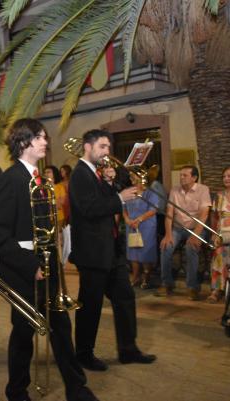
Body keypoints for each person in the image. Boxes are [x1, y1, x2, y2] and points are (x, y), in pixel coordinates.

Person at [0, 118, 98, 401]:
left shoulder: (40, 180)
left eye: (45, 137)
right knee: (24, 333)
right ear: (23, 142)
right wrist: (30, 264)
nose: (46, 142)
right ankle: (16, 390)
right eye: (40, 137)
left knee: (61, 328)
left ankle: (76, 387)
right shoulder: (11, 180)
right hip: (25, 271)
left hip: (49, 267)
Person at [69, 129, 156, 372]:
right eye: (103, 146)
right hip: (93, 252)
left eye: (108, 147)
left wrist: (112, 181)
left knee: (125, 298)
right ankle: (84, 354)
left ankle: (128, 350)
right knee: (91, 305)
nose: (108, 152)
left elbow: (107, 200)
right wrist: (118, 197)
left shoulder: (96, 175)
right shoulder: (80, 175)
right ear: (88, 146)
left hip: (111, 249)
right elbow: (89, 208)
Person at [157, 165, 212, 300]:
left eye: (184, 175)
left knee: (191, 247)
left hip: (196, 228)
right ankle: (167, 283)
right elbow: (169, 213)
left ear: (194, 177)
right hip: (177, 228)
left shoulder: (203, 189)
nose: (181, 178)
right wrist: (168, 234)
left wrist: (195, 235)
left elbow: (204, 214)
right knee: (166, 246)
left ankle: (192, 287)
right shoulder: (175, 190)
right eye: (180, 175)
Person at [123, 174, 158, 288]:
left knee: (145, 251)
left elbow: (153, 210)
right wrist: (127, 219)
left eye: (133, 176)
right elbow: (123, 208)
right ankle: (135, 276)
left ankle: (146, 276)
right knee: (133, 251)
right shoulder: (127, 191)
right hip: (131, 225)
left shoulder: (150, 192)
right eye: (130, 176)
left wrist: (140, 219)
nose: (131, 178)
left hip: (146, 225)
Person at [207, 166, 230, 303]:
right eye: (224, 176)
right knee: (218, 254)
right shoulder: (219, 196)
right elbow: (214, 216)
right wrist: (214, 233)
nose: (226, 179)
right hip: (222, 232)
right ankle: (216, 290)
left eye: (229, 176)